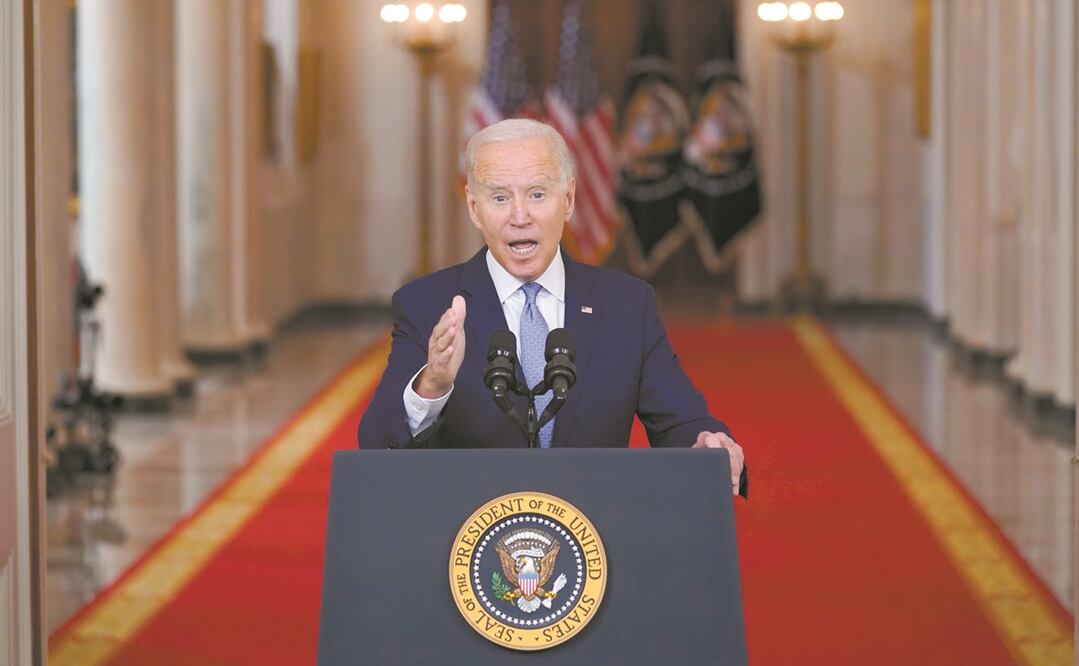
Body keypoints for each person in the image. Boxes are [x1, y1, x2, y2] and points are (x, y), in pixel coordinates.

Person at [357, 119, 746, 497]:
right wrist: (432, 386)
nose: (520, 216)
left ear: (570, 200)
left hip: (595, 538)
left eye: (537, 194)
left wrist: (708, 443)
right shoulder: (426, 305)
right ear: (474, 209)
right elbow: (376, 444)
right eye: (499, 197)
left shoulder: (627, 305)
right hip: (472, 540)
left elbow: (683, 422)